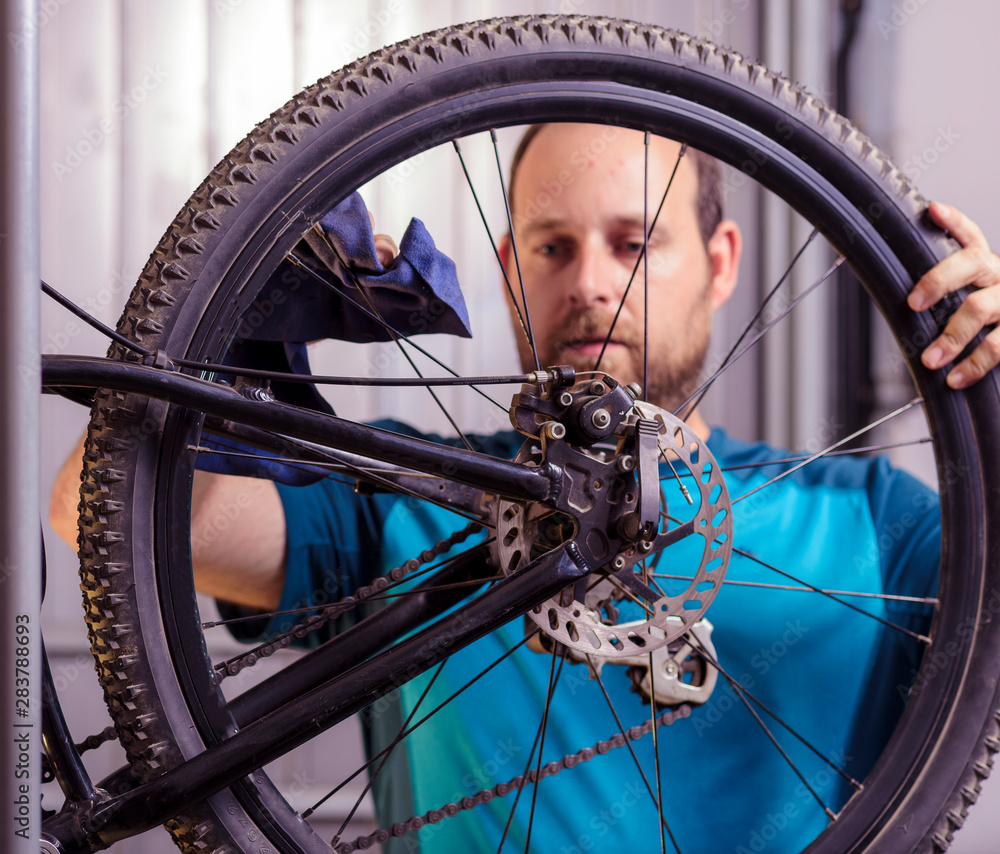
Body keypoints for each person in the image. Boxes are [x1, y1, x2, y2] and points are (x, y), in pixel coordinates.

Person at [50, 123, 1000, 853]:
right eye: (551, 247)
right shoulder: (411, 491)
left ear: (719, 265)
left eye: (634, 244)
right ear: (509, 275)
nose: (591, 283)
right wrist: (234, 323)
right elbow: (97, 517)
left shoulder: (883, 525)